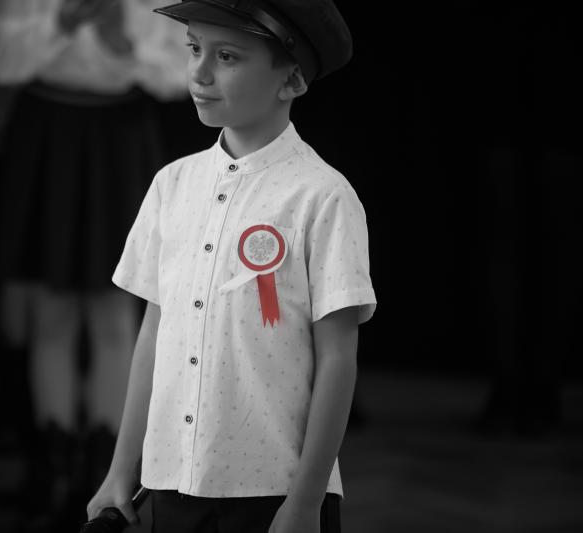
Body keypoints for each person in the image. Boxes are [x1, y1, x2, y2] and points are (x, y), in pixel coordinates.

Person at [86, 1, 377, 532]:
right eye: (194, 48)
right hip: (172, 480)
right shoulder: (171, 185)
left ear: (291, 80)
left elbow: (338, 357)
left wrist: (305, 501)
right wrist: (121, 470)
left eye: (227, 57)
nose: (199, 72)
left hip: (275, 490)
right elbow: (153, 336)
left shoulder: (322, 197)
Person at [0, 0, 187, 529]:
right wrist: (62, 23)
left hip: (120, 137)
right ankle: (55, 467)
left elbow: (184, 75)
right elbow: (0, 63)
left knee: (113, 312)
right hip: (47, 131)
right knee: (50, 311)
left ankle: (108, 473)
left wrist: (127, 46)